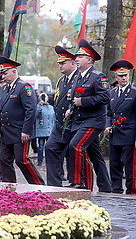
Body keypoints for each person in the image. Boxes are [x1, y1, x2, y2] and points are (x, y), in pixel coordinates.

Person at [66, 39, 111, 192]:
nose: (76, 59)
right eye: (76, 57)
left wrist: (83, 102)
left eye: (80, 57)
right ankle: (106, 187)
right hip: (80, 120)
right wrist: (71, 108)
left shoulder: (98, 76)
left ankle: (78, 182)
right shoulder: (78, 77)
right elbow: (74, 98)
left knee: (76, 146)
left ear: (90, 60)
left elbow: (105, 97)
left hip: (93, 121)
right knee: (95, 155)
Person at [0, 56, 45, 185]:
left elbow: (31, 110)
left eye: (5, 73)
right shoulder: (3, 89)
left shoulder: (23, 87)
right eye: (2, 74)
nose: (3, 77)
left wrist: (26, 130)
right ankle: (9, 185)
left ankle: (38, 185)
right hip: (6, 131)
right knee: (4, 159)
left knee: (21, 160)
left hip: (19, 131)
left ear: (14, 71)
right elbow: (0, 109)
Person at [45, 46, 79, 187]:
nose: (60, 66)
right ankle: (54, 184)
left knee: (73, 153)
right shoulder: (61, 81)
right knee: (49, 147)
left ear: (72, 63)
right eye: (59, 63)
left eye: (63, 63)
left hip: (73, 124)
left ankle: (75, 182)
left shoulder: (79, 78)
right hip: (59, 125)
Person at [104, 60, 136, 194]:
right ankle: (116, 188)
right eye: (120, 76)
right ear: (115, 77)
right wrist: (107, 126)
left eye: (126, 75)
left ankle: (130, 189)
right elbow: (108, 113)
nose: (123, 78)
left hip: (129, 133)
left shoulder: (134, 92)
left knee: (129, 164)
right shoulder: (111, 93)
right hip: (115, 133)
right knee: (115, 163)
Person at [35, 92, 55, 166]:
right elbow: (36, 115)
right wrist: (40, 106)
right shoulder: (38, 107)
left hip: (50, 130)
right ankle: (40, 160)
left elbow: (53, 118)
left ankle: (49, 160)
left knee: (49, 146)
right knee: (41, 146)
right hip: (41, 129)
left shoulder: (51, 107)